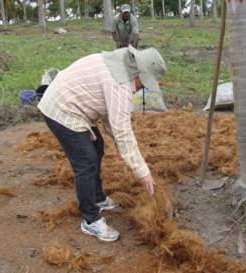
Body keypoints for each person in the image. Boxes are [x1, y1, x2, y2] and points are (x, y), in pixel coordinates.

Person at [37, 45, 166, 242]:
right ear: (141, 72)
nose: (142, 88)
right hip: (61, 109)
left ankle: (97, 197)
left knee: (96, 147)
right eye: (145, 83)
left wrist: (130, 155)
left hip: (74, 105)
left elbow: (112, 120)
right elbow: (122, 131)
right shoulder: (119, 83)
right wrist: (143, 172)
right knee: (86, 161)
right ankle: (90, 219)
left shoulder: (121, 63)